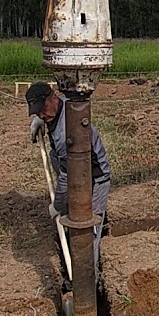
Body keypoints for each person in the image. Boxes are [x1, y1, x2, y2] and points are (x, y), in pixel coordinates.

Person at [26, 81, 109, 263]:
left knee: (87, 236)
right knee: (54, 157)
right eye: (37, 111)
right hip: (74, 168)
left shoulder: (66, 134)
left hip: (96, 176)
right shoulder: (62, 103)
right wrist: (40, 120)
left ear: (52, 97)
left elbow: (66, 176)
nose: (41, 113)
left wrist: (57, 206)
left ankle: (87, 281)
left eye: (43, 109)